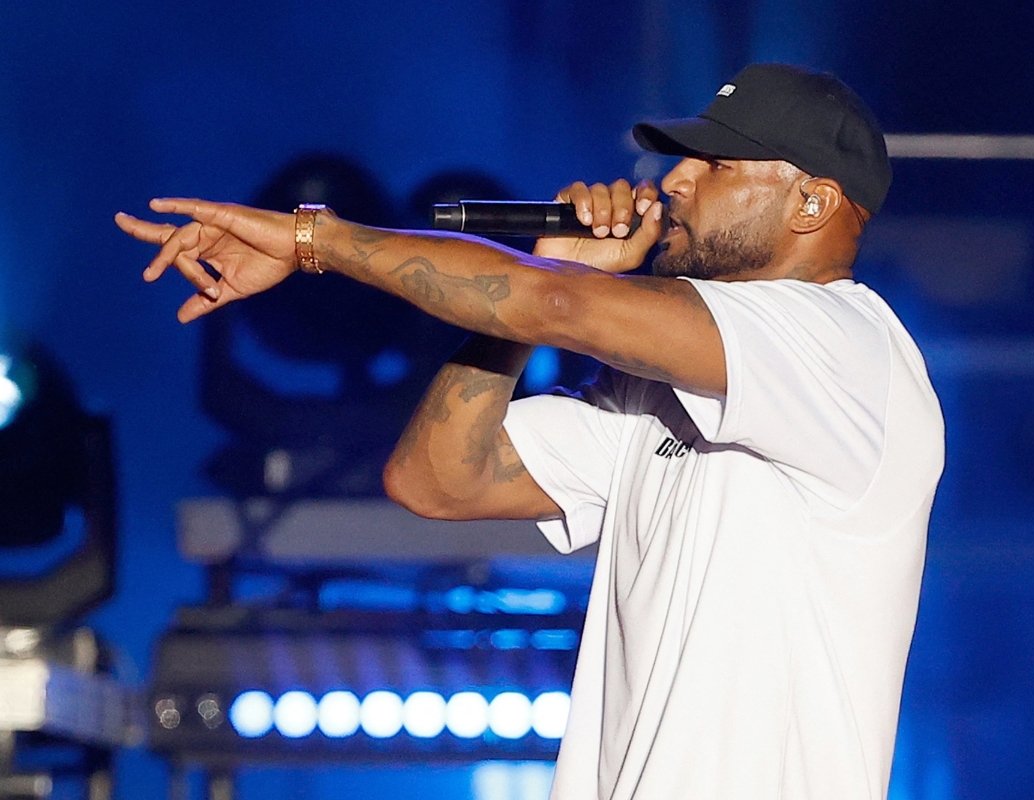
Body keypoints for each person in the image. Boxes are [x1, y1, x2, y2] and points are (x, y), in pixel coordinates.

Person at [117, 64, 944, 800]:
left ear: (813, 200)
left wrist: (315, 240)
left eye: (717, 165)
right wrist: (549, 288)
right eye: (682, 158)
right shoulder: (656, 393)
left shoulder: (842, 344)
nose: (676, 181)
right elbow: (438, 480)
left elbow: (548, 303)